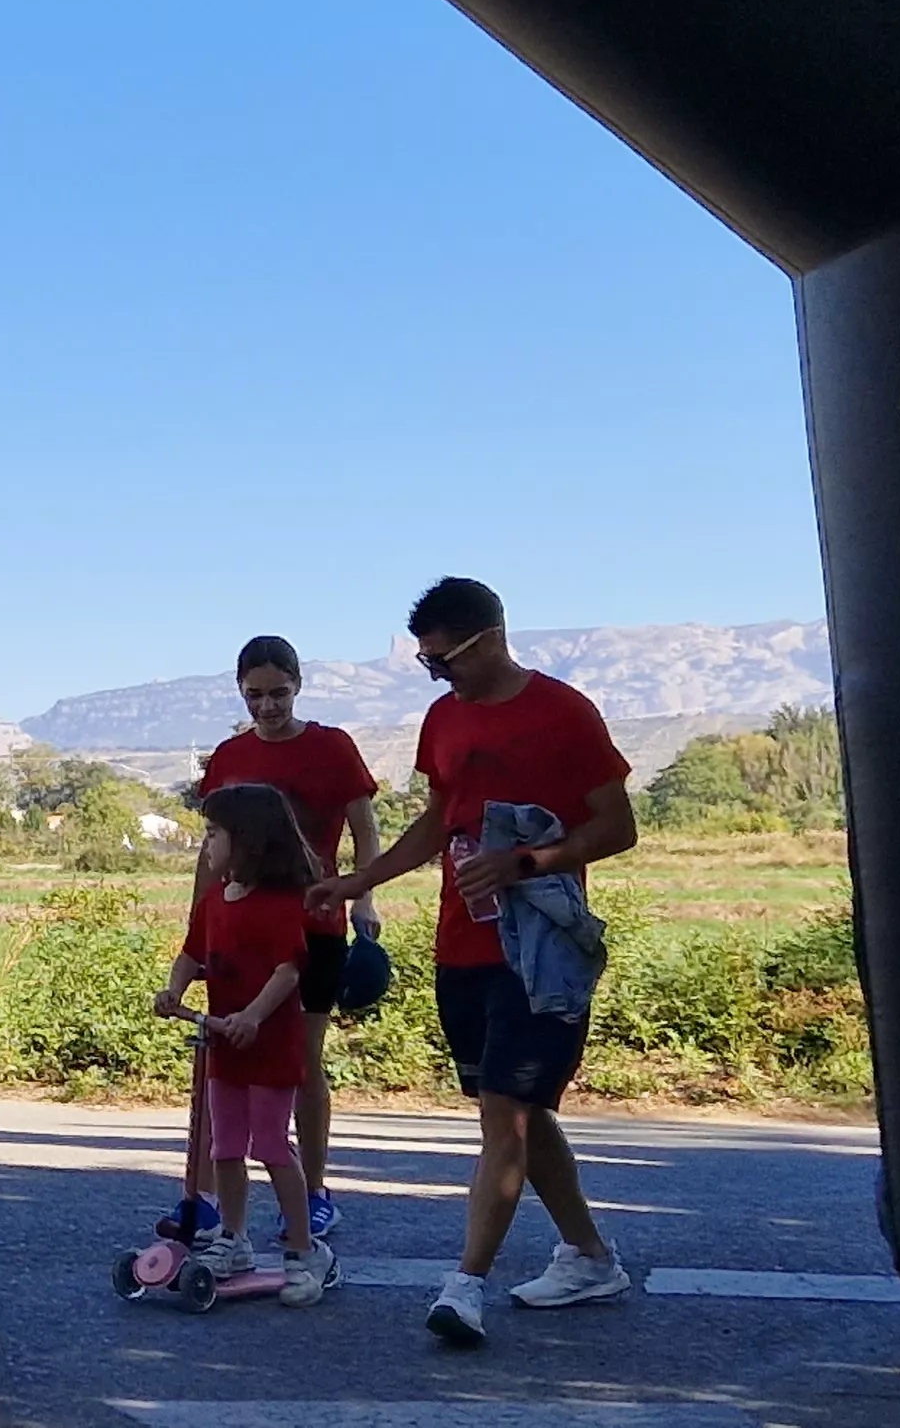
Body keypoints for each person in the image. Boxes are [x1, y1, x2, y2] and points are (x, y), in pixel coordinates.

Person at [309, 577, 640, 1347]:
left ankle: (465, 1286)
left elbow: (618, 827)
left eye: (443, 659)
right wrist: (361, 880)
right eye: (426, 662)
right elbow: (438, 820)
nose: (436, 674)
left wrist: (530, 861)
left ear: (489, 639)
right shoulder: (444, 719)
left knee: (506, 1113)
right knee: (518, 1112)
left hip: (539, 954)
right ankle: (591, 1257)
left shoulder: (564, 712)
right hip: (461, 947)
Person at [193, 634, 384, 1237]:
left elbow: (365, 829)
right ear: (240, 691)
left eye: (278, 693)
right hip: (240, 931)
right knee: (224, 1062)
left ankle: (314, 1190)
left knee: (301, 1058)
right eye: (255, 695)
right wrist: (199, 923)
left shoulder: (332, 747)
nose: (267, 706)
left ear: (298, 685)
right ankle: (207, 1200)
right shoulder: (229, 756)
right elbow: (209, 848)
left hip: (314, 923)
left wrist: (363, 895)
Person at [156, 782, 340, 1305]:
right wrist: (174, 990)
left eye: (214, 833)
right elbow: (191, 954)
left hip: (270, 1045)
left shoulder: (280, 906)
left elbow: (288, 971)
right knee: (226, 1145)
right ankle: (233, 1239)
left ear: (250, 840)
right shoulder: (215, 901)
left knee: (271, 1146)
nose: (206, 845)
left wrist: (253, 1017)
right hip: (225, 1046)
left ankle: (305, 1252)